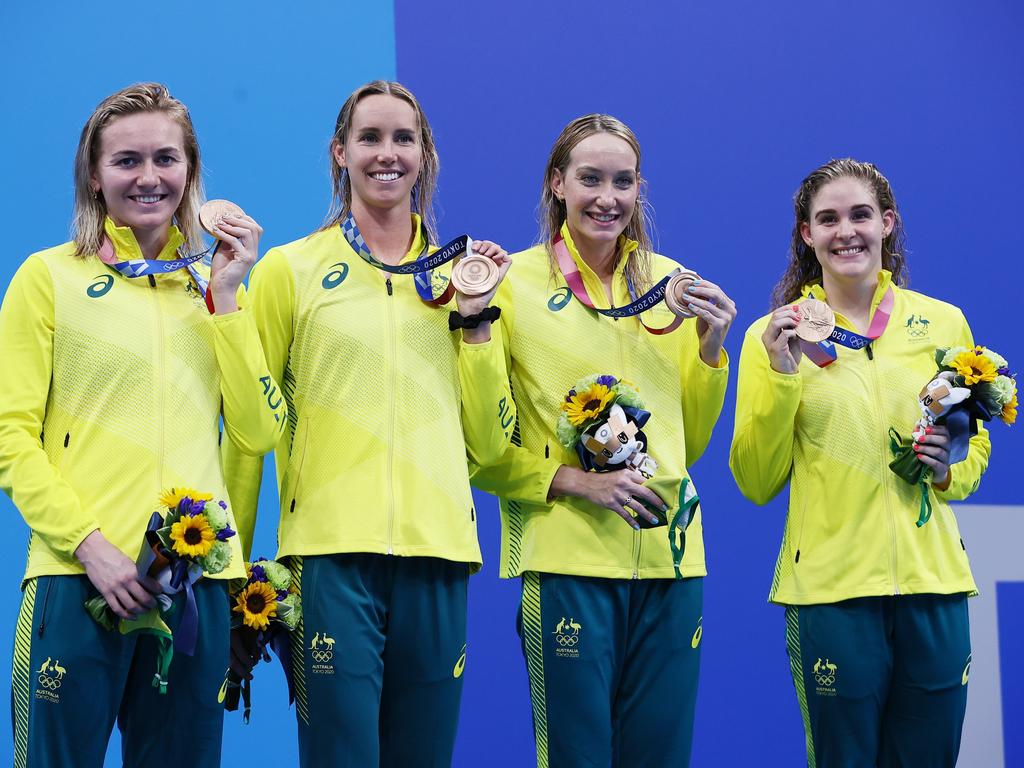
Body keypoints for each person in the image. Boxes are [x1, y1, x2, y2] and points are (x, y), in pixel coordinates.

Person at [223, 80, 513, 767]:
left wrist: (476, 322)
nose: (388, 154)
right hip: (330, 560)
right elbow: (246, 427)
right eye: (371, 138)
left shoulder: (462, 279)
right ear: (340, 152)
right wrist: (227, 568)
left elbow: (493, 443)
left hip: (439, 556)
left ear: (425, 154)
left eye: (403, 138)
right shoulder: (290, 271)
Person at [0, 82, 283, 768]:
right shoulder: (48, 279)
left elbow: (259, 430)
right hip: (76, 580)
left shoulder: (214, 289)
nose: (149, 177)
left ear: (189, 173)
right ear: (94, 176)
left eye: (166, 158)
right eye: (127, 161)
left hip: (194, 591)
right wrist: (88, 546)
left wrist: (227, 299)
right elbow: (9, 439)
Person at [471, 114, 737, 768]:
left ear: (639, 189)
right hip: (568, 562)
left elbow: (689, 442)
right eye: (589, 178)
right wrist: (575, 481)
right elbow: (482, 448)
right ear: (556, 183)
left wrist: (709, 350)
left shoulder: (673, 286)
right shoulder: (512, 285)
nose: (606, 197)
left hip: (672, 560)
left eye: (623, 181)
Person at [729, 158, 989, 767]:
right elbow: (756, 479)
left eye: (860, 215)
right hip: (832, 594)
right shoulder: (774, 336)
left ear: (888, 224)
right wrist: (783, 376)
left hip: (934, 587)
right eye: (828, 219)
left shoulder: (942, 323)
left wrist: (948, 468)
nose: (846, 231)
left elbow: (971, 443)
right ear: (807, 235)